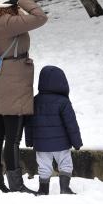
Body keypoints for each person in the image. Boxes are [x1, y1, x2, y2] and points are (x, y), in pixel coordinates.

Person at [0, 0, 47, 194]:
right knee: (13, 138)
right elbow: (40, 17)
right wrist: (22, 0)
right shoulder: (8, 22)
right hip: (13, 83)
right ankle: (16, 185)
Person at [24, 66, 82, 195]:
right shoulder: (64, 102)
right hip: (61, 144)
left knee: (43, 166)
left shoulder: (34, 101)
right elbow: (71, 124)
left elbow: (28, 123)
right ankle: (65, 188)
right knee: (65, 164)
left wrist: (29, 140)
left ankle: (43, 190)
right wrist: (76, 142)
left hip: (41, 145)